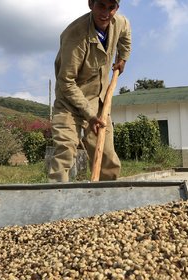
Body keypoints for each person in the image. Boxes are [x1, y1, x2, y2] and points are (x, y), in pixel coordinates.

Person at [48, 0, 131, 182]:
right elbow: (66, 81)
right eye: (101, 6)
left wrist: (123, 58)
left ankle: (108, 202)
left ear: (116, 8)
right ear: (90, 4)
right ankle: (55, 200)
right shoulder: (75, 36)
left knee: (107, 155)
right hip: (69, 100)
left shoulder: (120, 23)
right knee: (65, 150)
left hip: (98, 99)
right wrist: (88, 114)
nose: (106, 13)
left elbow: (125, 36)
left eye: (111, 8)